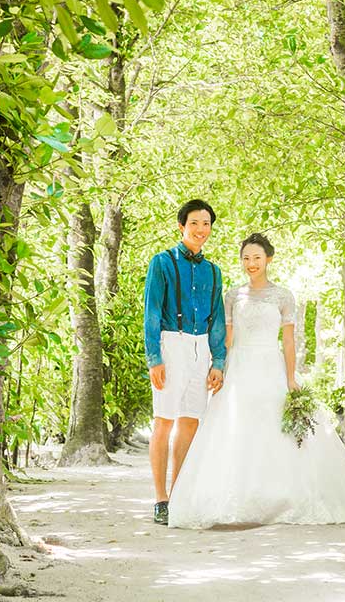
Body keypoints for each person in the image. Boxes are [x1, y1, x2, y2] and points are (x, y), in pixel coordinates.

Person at [168, 232, 345, 528]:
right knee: (236, 427)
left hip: (270, 365)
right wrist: (218, 366)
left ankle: (280, 495)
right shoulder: (233, 296)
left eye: (256, 257)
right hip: (239, 366)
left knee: (274, 426)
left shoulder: (283, 296)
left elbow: (288, 341)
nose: (251, 263)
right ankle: (237, 497)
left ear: (268, 259)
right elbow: (227, 336)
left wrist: (290, 377)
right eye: (246, 258)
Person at [143, 199, 226, 526]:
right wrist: (154, 357)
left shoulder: (214, 271)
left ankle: (178, 495)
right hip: (171, 342)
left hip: (201, 347)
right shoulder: (162, 262)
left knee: (191, 420)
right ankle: (161, 499)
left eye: (206, 224)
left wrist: (218, 361)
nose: (201, 230)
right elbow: (151, 312)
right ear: (182, 226)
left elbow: (217, 320)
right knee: (164, 420)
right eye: (194, 223)